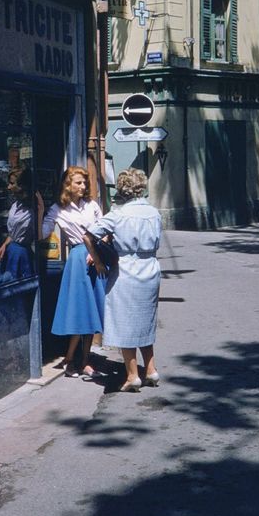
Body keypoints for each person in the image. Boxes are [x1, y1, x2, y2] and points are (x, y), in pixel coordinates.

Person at [83, 168, 162, 392]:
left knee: (124, 322)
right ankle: (151, 370)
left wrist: (98, 261)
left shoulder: (118, 215)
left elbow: (87, 235)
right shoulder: (154, 213)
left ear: (122, 189)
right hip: (150, 268)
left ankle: (132, 375)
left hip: (126, 270)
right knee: (145, 321)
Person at [38, 166, 106, 378]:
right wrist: (40, 210)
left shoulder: (92, 205)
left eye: (84, 182)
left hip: (96, 259)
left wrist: (97, 251)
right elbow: (42, 234)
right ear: (68, 185)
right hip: (78, 259)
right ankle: (70, 358)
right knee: (79, 310)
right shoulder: (59, 209)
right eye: (78, 182)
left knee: (92, 310)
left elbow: (106, 230)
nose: (83, 186)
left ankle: (84, 359)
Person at [0, 167, 37, 283]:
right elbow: (13, 233)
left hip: (22, 254)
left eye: (12, 183)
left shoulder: (33, 210)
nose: (8, 187)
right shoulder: (16, 205)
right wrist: (4, 246)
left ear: (22, 186)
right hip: (11, 250)